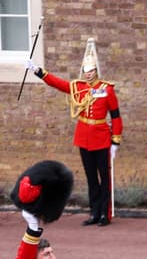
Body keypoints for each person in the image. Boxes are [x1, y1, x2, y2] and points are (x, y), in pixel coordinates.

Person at [26, 41, 121, 226]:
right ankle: (94, 212)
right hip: (84, 137)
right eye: (86, 71)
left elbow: (116, 116)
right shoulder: (78, 87)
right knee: (91, 178)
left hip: (101, 138)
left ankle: (105, 213)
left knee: (105, 178)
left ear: (96, 71)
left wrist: (115, 140)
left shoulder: (107, 89)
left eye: (91, 71)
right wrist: (38, 71)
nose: (88, 74)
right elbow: (58, 84)